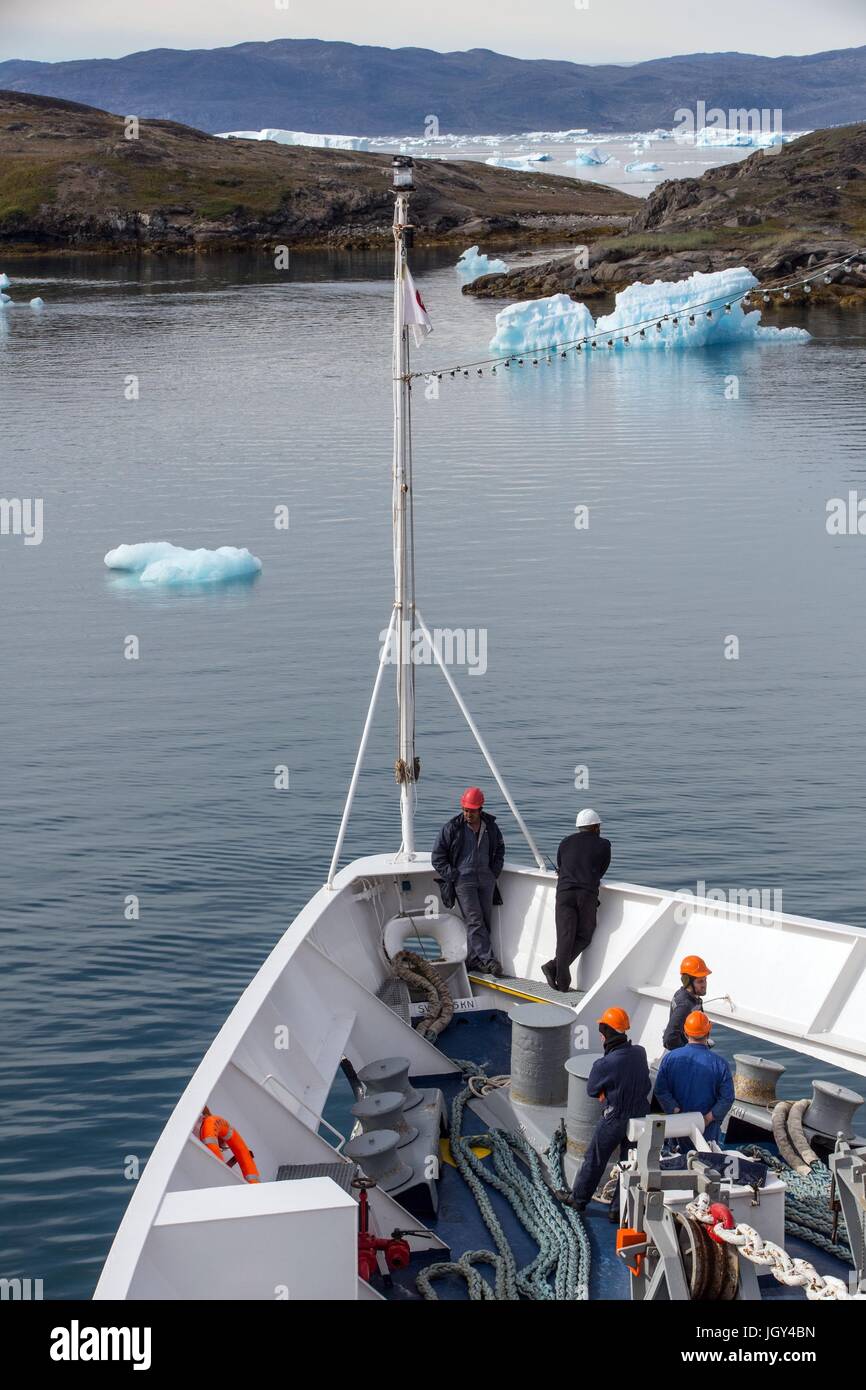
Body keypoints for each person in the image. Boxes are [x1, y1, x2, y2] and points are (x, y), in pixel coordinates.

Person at [567, 1006, 651, 1212]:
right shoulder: (640, 1053)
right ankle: (618, 1210)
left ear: (607, 1033)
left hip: (615, 1117)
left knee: (595, 1158)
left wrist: (606, 1093)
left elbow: (592, 1090)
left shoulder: (604, 1064)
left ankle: (578, 1200)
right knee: (629, 1164)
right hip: (640, 1115)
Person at [432, 787, 504, 976]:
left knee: (485, 921)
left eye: (471, 810)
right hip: (463, 881)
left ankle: (473, 961)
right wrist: (454, 875)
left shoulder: (491, 827)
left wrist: (493, 872)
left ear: (480, 809)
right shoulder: (452, 828)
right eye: (465, 809)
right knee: (474, 920)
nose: (467, 814)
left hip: (486, 879)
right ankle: (489, 961)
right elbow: (437, 857)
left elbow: (500, 850)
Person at [543, 808, 611, 993]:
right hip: (586, 895)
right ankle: (556, 972)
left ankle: (558, 974)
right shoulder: (604, 845)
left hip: (564, 893)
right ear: (596, 827)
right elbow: (601, 869)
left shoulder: (565, 842)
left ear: (579, 827)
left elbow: (562, 865)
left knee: (565, 938)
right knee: (584, 936)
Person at [654, 1013, 734, 1143]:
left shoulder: (670, 1058)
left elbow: (660, 1090)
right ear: (708, 1033)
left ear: (685, 1033)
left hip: (677, 1127)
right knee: (703, 1161)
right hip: (706, 1132)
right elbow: (727, 1098)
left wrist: (674, 1109)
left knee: (675, 1159)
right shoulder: (720, 1064)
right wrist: (708, 1118)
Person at [663, 954, 711, 1051]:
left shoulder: (686, 995)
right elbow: (669, 1039)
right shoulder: (685, 1005)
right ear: (687, 982)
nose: (704, 984)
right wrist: (689, 1052)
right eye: (700, 981)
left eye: (705, 980)